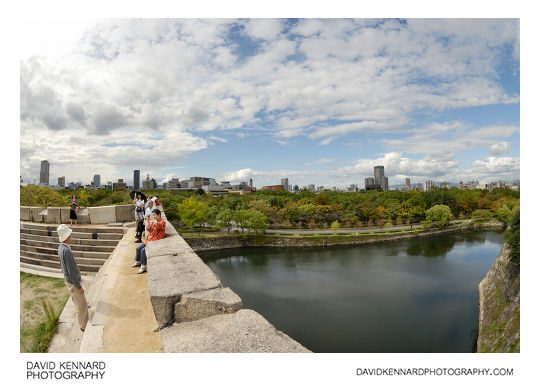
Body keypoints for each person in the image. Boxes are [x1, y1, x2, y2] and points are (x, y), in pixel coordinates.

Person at [57, 224, 88, 332]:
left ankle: (82, 324)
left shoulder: (60, 248)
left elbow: (62, 266)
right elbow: (72, 271)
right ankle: (83, 326)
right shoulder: (67, 251)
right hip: (73, 282)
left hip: (68, 281)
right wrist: (78, 286)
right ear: (66, 237)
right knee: (81, 306)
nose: (71, 236)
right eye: (69, 234)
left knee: (77, 302)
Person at [132, 208, 166, 274]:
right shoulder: (153, 222)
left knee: (143, 251)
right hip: (150, 240)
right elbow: (150, 230)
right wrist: (148, 224)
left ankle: (143, 266)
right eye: (153, 215)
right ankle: (138, 261)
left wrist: (154, 221)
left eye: (154, 215)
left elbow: (160, 226)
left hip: (156, 241)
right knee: (138, 248)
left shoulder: (162, 222)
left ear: (159, 215)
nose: (153, 216)